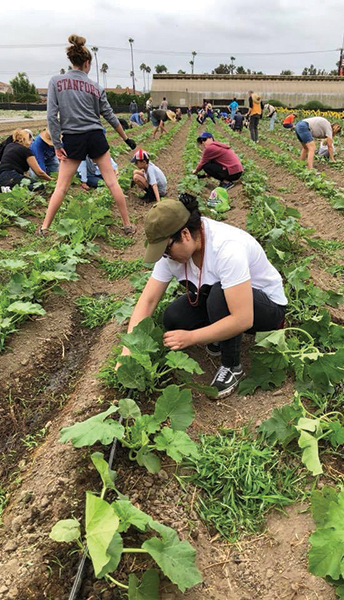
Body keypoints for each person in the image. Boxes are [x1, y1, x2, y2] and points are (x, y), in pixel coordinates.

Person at [120, 194, 288, 398]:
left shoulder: (227, 248)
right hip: (222, 298)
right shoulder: (172, 251)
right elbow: (148, 301)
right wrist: (127, 350)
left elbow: (243, 318)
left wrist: (191, 337)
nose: (166, 257)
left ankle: (232, 365)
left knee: (219, 295)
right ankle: (219, 333)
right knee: (173, 317)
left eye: (166, 250)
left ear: (185, 234)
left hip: (265, 309)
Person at [38, 34, 138, 235]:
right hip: (95, 135)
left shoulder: (56, 82)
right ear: (87, 63)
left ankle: (44, 227)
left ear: (72, 60)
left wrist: (57, 144)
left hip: (73, 138)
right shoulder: (96, 87)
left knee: (62, 187)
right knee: (111, 181)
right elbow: (110, 116)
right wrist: (126, 138)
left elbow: (51, 116)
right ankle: (127, 225)